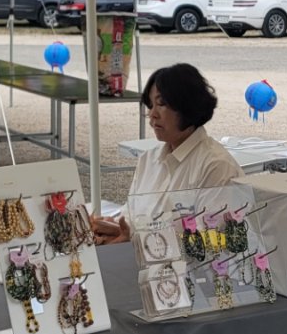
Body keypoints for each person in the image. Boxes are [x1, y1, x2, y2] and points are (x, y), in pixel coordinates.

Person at [92, 62, 243, 243]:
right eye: (150, 105)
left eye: (161, 104)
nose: (152, 114)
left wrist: (136, 240)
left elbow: (212, 241)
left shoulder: (216, 166)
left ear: (187, 106)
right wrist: (114, 228)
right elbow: (132, 217)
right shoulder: (148, 159)